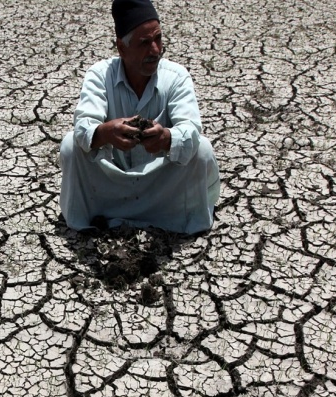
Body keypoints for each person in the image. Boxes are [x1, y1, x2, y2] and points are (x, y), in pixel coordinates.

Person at [59, 0, 220, 235]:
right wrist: (106, 132)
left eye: (158, 39)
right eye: (144, 43)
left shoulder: (176, 76)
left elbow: (190, 130)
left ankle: (182, 218)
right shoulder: (100, 75)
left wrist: (166, 137)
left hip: (161, 186)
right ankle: (89, 221)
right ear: (122, 48)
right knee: (70, 144)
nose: (155, 50)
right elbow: (84, 126)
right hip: (111, 183)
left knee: (202, 148)